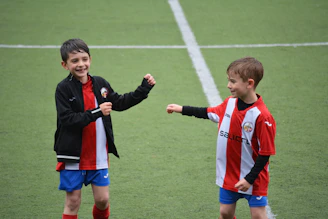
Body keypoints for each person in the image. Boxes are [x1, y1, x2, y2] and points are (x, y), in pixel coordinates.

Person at [54, 38, 156, 219]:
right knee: (73, 202)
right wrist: (96, 112)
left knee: (102, 200)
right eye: (75, 61)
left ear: (90, 59)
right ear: (65, 64)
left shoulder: (100, 84)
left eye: (84, 59)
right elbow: (67, 119)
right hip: (72, 156)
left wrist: (143, 89)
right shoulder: (63, 89)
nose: (81, 64)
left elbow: (120, 103)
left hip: (98, 154)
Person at [166, 57, 276, 219]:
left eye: (233, 81)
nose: (228, 85)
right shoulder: (229, 104)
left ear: (250, 83)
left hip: (254, 179)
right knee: (225, 213)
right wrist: (181, 109)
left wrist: (249, 179)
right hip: (229, 175)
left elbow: (265, 153)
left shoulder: (262, 116)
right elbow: (208, 112)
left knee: (258, 216)